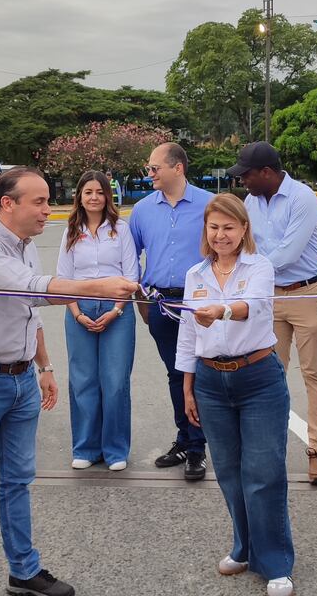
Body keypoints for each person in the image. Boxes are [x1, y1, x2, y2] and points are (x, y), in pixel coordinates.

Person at [0, 167, 137, 596]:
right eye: (39, 201)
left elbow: (30, 313)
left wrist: (44, 368)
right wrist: (99, 285)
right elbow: (31, 290)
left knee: (18, 480)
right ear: (9, 203)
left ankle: (23, 571)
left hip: (21, 379)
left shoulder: (25, 246)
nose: (48, 209)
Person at [176, 193, 293, 596]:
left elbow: (255, 307)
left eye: (229, 227)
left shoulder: (260, 266)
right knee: (228, 471)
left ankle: (275, 562)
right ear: (205, 232)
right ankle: (243, 548)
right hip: (210, 382)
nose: (221, 235)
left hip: (258, 378)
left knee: (264, 472)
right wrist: (188, 387)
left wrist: (221, 310)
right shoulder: (195, 275)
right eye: (214, 227)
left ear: (244, 230)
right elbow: (188, 333)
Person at [229, 141, 317, 485]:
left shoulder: (303, 198)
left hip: (307, 292)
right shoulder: (251, 202)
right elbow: (248, 246)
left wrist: (247, 275)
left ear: (267, 173)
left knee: (313, 373)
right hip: (269, 297)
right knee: (268, 374)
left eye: (246, 175)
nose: (242, 180)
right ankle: (267, 450)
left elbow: (288, 253)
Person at [128, 142, 211, 480]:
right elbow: (129, 257)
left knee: (200, 374)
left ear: (178, 168)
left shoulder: (209, 204)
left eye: (154, 168)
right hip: (160, 303)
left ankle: (198, 448)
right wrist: (140, 300)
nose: (149, 174)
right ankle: (185, 440)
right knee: (176, 374)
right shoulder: (143, 210)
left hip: (200, 305)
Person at [57, 171, 138, 471]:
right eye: (87, 192)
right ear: (78, 196)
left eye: (99, 192)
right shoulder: (70, 231)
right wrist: (77, 313)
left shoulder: (121, 230)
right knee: (83, 381)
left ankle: (115, 449)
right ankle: (86, 447)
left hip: (117, 309)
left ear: (108, 196)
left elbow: (131, 276)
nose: (93, 197)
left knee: (115, 382)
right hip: (78, 308)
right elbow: (64, 279)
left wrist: (116, 310)